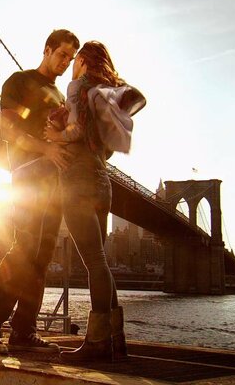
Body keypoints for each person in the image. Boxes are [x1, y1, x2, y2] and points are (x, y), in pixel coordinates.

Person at [0, 29, 80, 355]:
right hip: (28, 177)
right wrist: (46, 149)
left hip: (54, 184)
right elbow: (7, 130)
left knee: (40, 260)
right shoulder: (20, 82)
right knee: (23, 251)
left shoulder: (60, 95)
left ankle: (24, 332)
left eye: (70, 58)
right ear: (47, 49)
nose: (65, 62)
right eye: (62, 54)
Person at [44, 40, 146, 362]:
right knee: (100, 260)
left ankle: (98, 343)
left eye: (76, 60)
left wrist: (55, 135)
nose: (72, 65)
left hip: (77, 182)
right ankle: (116, 340)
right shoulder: (107, 96)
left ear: (85, 61)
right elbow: (105, 146)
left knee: (94, 262)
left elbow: (73, 134)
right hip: (103, 185)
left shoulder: (79, 86)